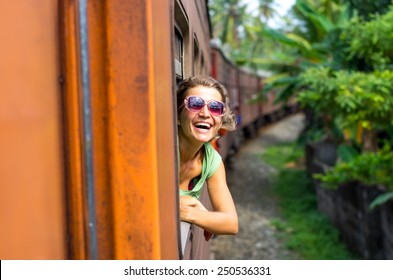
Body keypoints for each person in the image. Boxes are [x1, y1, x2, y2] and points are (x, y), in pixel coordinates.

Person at [177, 76, 238, 240]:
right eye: (195, 104)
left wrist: (191, 211)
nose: (205, 113)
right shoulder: (162, 150)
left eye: (215, 108)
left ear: (220, 120)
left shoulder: (212, 161)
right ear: (177, 115)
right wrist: (203, 216)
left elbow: (231, 223)